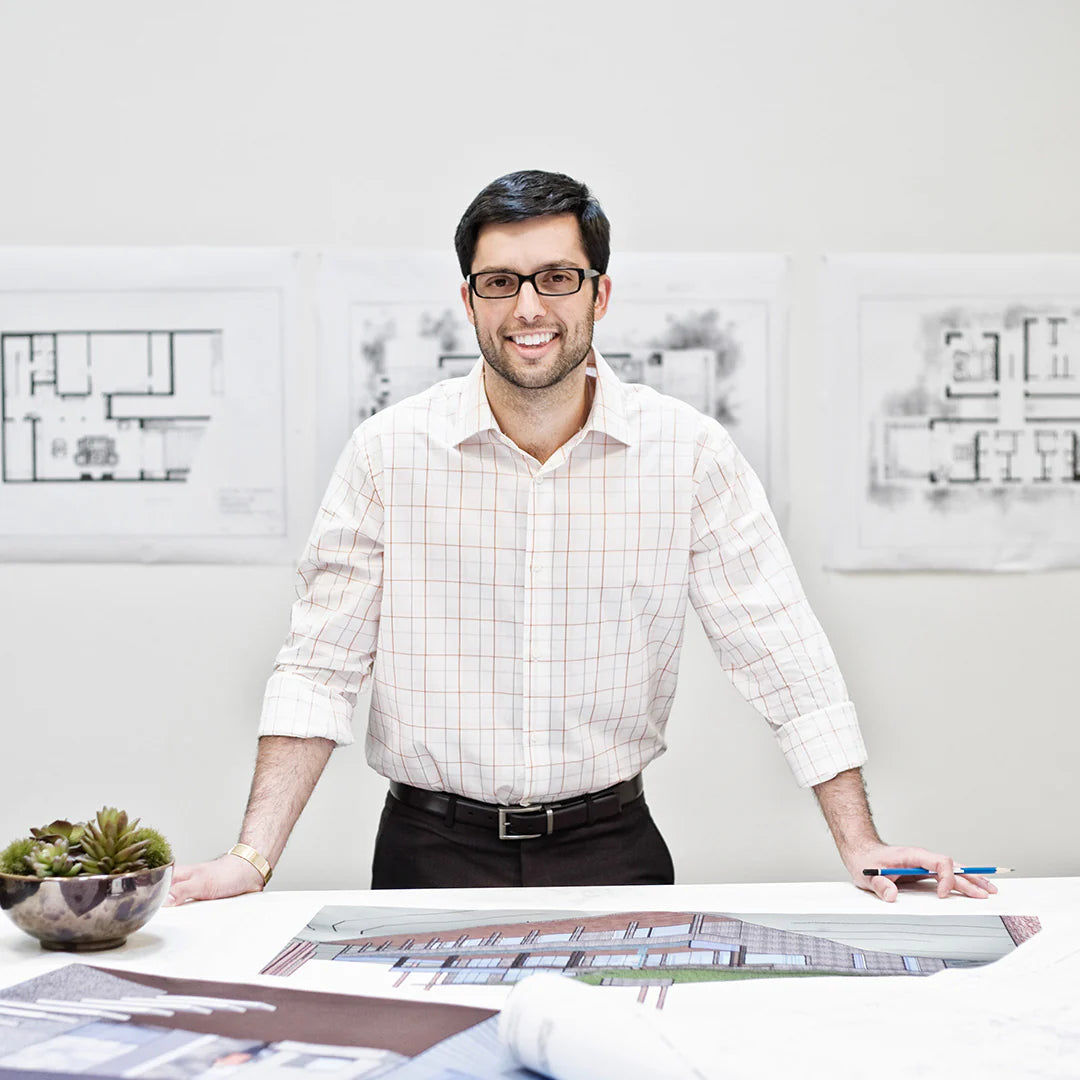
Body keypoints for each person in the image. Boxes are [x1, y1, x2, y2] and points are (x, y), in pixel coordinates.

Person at [168, 170, 994, 904]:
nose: (529, 308)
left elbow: (782, 650)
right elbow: (320, 664)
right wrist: (253, 856)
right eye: (500, 282)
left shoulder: (688, 453)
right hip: (427, 856)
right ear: (469, 302)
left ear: (599, 294)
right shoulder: (388, 453)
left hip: (613, 848)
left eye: (557, 278)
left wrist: (860, 841)